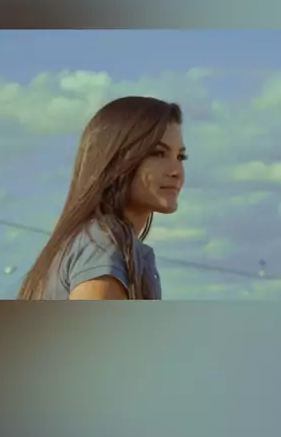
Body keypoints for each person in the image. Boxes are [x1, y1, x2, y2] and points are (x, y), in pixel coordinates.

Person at [17, 96, 187, 300]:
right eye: (158, 153)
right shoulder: (102, 243)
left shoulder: (110, 243)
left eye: (180, 157)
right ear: (116, 159)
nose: (177, 171)